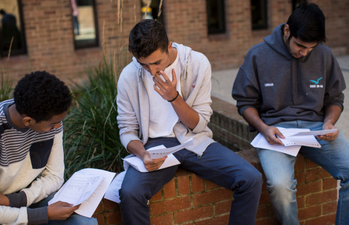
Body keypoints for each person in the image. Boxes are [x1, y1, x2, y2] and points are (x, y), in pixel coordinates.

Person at [116, 19, 262, 225]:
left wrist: (174, 98)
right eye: (144, 64)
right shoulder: (128, 76)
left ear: (169, 46)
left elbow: (200, 124)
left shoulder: (197, 63)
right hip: (155, 147)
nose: (152, 72)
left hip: (194, 140)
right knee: (130, 193)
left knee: (251, 178)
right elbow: (127, 129)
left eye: (157, 63)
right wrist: (143, 154)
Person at [232, 2, 349, 225]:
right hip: (275, 131)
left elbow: (334, 99)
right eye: (300, 46)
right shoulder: (258, 55)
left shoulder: (324, 55)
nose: (304, 53)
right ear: (287, 30)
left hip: (316, 128)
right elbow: (245, 102)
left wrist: (329, 123)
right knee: (280, 185)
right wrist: (264, 128)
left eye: (310, 48)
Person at [0, 71, 97, 225]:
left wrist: (16, 200)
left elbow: (55, 176)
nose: (58, 127)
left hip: (27, 198)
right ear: (28, 121)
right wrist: (42, 214)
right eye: (53, 124)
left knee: (85, 223)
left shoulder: (50, 119)